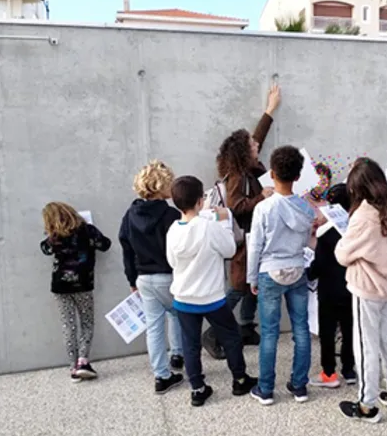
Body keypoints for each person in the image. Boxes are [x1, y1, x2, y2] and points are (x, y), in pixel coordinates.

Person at [203, 84, 281, 358]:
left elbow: (257, 135)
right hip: (243, 242)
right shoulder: (238, 176)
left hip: (254, 240)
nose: (257, 145)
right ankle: (213, 332)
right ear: (244, 153)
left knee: (252, 286)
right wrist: (262, 196)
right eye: (253, 145)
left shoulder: (247, 167)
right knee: (238, 288)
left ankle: (246, 326)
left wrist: (269, 110)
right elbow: (237, 208)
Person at [166, 176, 258, 407]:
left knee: (190, 345)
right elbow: (229, 249)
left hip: (183, 298)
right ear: (200, 200)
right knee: (231, 338)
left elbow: (171, 261)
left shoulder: (172, 230)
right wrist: (224, 220)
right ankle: (239, 379)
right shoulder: (208, 226)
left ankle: (197, 388)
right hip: (212, 298)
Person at [335, 157, 387, 423]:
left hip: (366, 286)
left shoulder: (364, 214)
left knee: (365, 345)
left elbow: (342, 254)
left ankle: (367, 404)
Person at [247, 146, 315, 406]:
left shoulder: (263, 208)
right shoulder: (306, 209)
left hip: (269, 272)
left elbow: (255, 246)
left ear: (272, 173)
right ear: (298, 177)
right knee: (301, 328)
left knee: (270, 332)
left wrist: (252, 277)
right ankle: (299, 387)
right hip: (297, 269)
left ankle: (265, 389)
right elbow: (307, 242)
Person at [119, 160, 185, 395]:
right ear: (160, 187)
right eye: (169, 183)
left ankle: (161, 375)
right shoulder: (171, 215)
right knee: (177, 315)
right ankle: (178, 354)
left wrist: (131, 280)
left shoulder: (130, 215)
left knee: (154, 327)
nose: (172, 188)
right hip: (169, 276)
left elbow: (126, 248)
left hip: (143, 278)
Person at [40, 202, 111, 382]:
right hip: (83, 285)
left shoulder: (54, 238)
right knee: (86, 322)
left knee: (68, 325)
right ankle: (83, 361)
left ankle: (73, 368)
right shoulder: (88, 231)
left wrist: (50, 234)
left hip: (60, 286)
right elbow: (105, 244)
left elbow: (45, 249)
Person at [307, 183, 356, 388]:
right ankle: (348, 369)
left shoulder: (325, 235)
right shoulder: (354, 230)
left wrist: (307, 271)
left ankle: (329, 373)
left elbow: (318, 266)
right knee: (349, 330)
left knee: (327, 333)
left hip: (328, 291)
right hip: (351, 288)